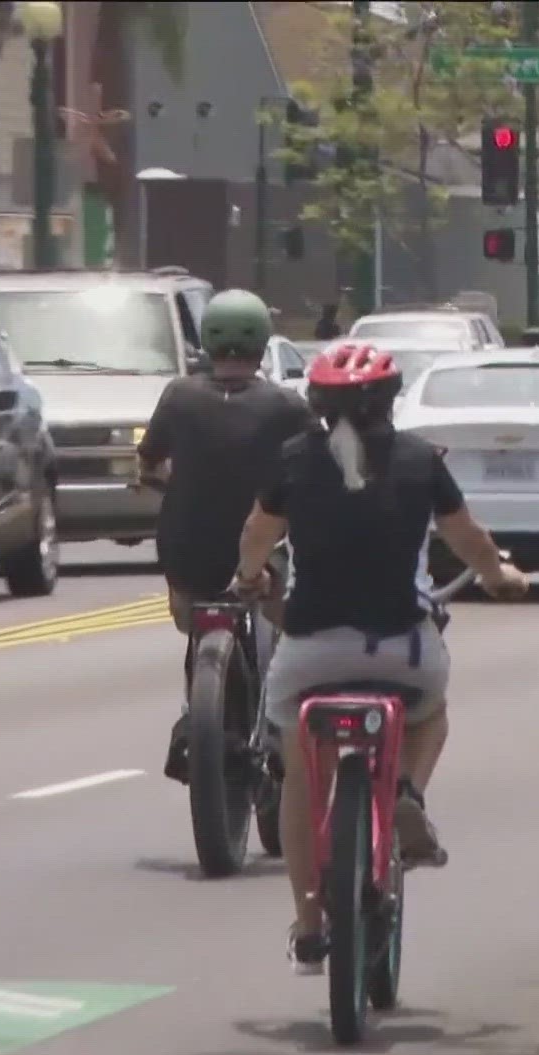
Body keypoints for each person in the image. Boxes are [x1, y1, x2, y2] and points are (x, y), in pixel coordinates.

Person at [230, 342, 527, 973]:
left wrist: (250, 576)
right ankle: (407, 791)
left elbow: (258, 532)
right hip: (404, 650)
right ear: (391, 402)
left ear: (316, 403)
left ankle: (310, 926)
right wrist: (500, 576)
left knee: (300, 769)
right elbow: (468, 540)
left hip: (312, 652)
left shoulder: (294, 461)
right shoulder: (422, 462)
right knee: (431, 714)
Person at [137, 290, 314, 783]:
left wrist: (161, 479)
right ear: (262, 342)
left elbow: (149, 461)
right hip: (260, 553)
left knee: (196, 628)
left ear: (207, 342)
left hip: (185, 552)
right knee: (289, 629)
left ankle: (196, 720)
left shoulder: (178, 395)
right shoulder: (286, 404)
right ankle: (278, 726)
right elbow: (316, 464)